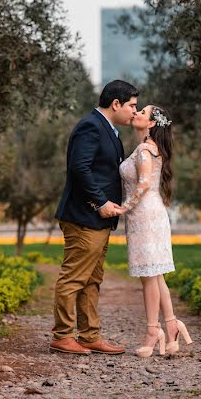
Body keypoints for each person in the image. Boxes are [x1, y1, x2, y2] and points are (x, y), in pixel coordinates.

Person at [50, 80, 139, 355]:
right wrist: (99, 202)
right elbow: (79, 168)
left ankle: (89, 335)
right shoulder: (90, 126)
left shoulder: (109, 131)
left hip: (99, 219)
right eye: (132, 106)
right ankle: (62, 335)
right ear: (116, 104)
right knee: (74, 277)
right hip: (83, 216)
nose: (134, 112)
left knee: (91, 279)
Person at [114, 105, 192, 357]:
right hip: (150, 214)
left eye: (142, 112)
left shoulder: (146, 150)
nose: (136, 113)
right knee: (155, 274)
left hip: (145, 215)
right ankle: (171, 326)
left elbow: (145, 183)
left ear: (150, 125)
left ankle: (152, 330)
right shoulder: (147, 148)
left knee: (149, 277)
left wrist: (124, 207)